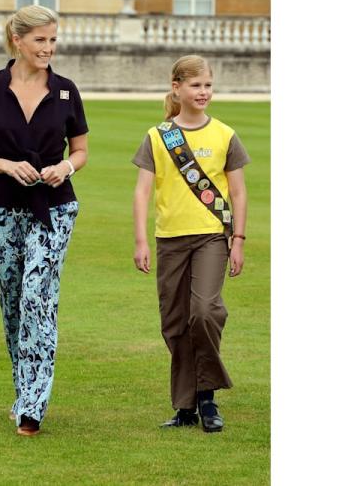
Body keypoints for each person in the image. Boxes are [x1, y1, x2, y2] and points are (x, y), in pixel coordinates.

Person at [0, 4, 89, 437]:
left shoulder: (68, 91)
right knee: (14, 302)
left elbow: (81, 151)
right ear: (17, 40)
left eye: (53, 40)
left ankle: (34, 406)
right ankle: (23, 392)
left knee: (38, 295)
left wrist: (66, 169)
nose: (48, 48)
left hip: (54, 209)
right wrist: (6, 165)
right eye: (40, 40)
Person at [131, 55, 250, 433]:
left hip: (212, 236)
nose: (203, 92)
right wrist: (140, 241)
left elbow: (239, 191)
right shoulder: (158, 137)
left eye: (208, 85)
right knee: (175, 322)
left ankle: (207, 397)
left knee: (204, 311)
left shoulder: (225, 135)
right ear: (177, 87)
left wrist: (239, 240)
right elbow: (142, 192)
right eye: (196, 85)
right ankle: (185, 407)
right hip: (169, 239)